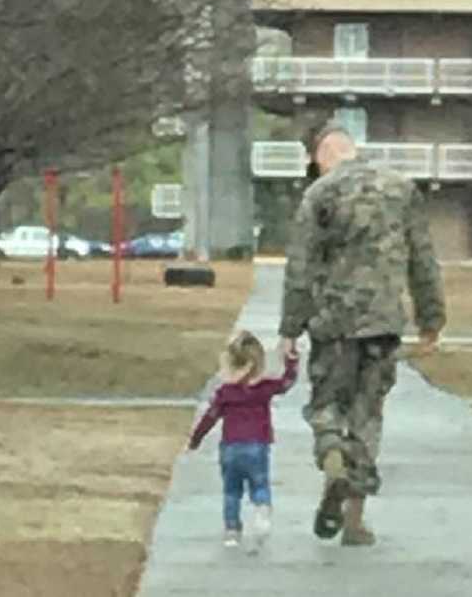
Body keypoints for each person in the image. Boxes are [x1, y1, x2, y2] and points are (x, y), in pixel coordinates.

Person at [278, 121, 447, 546]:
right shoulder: (401, 189)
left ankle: (333, 462)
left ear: (320, 155)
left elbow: (300, 267)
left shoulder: (319, 194)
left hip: (333, 324)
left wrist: (289, 328)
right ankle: (354, 522)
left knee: (326, 407)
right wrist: (432, 318)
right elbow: (422, 259)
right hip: (383, 324)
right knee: (367, 417)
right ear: (352, 148)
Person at [187, 330, 299, 548]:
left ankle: (231, 530)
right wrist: (291, 363)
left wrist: (195, 440)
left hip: (230, 447)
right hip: (257, 445)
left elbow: (209, 418)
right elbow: (286, 383)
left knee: (231, 491)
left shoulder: (225, 393)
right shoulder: (264, 389)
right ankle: (262, 510)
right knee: (260, 484)